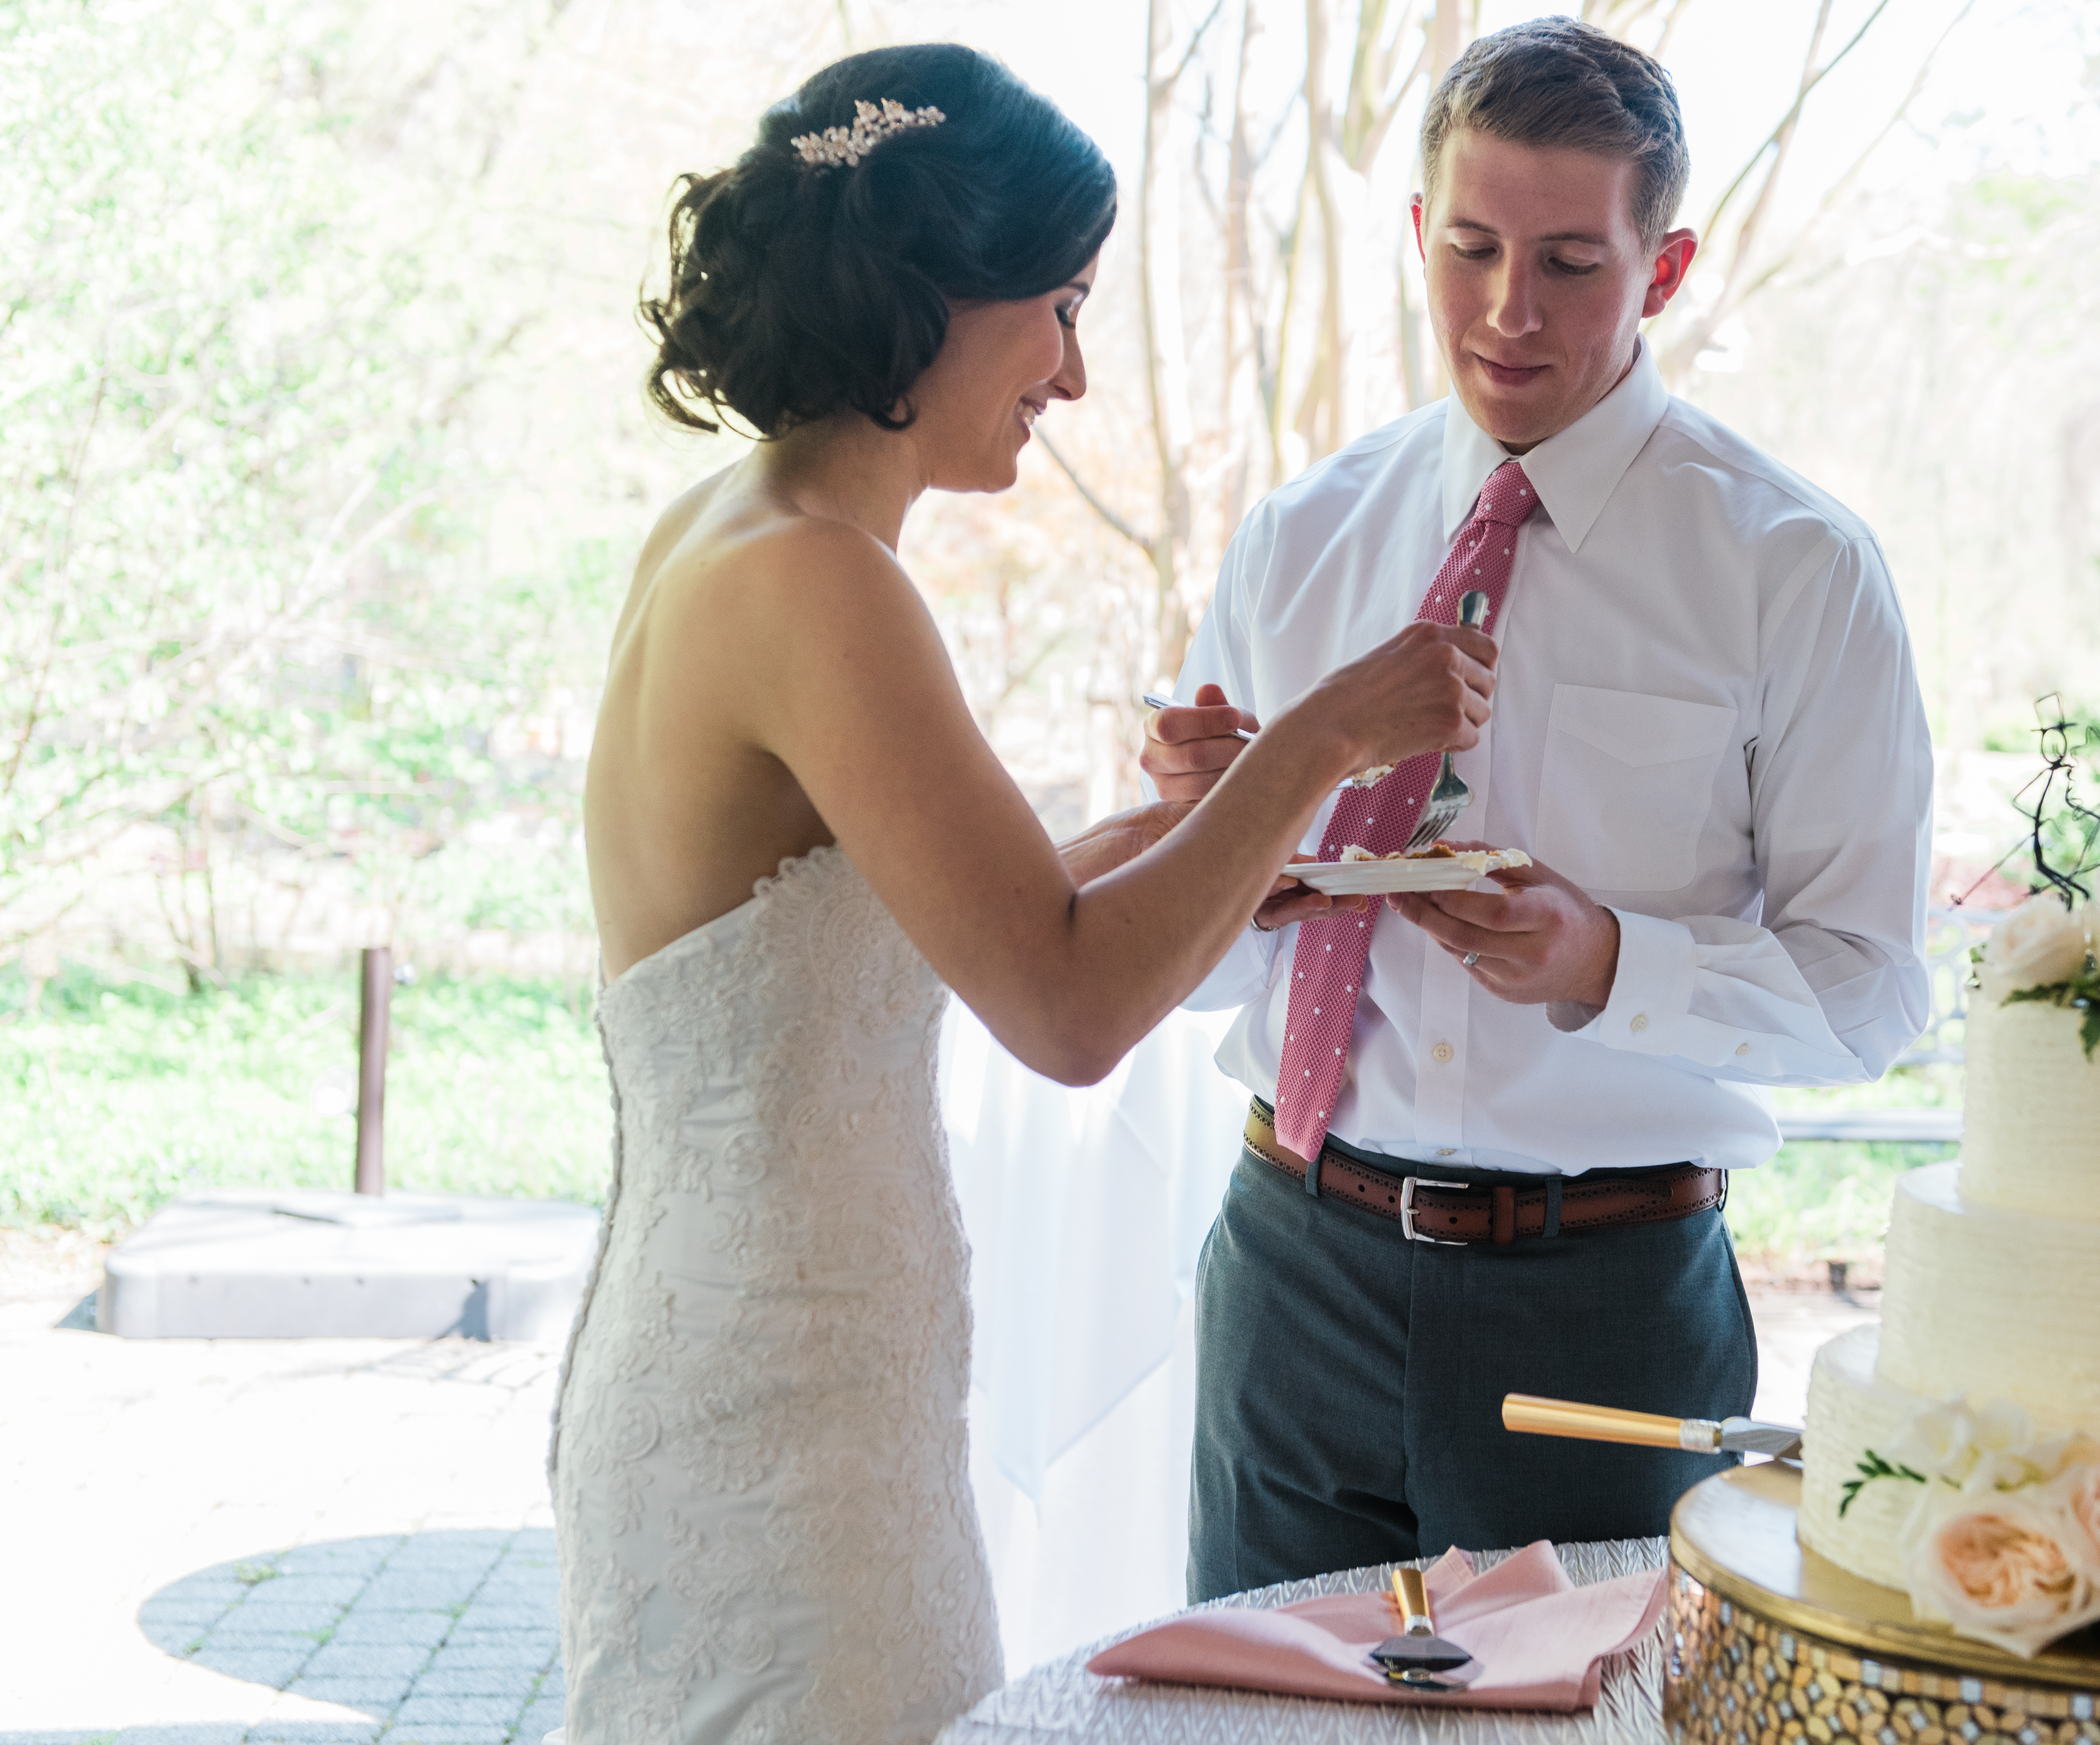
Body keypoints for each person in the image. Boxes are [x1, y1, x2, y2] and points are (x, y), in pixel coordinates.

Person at [556, 43, 1497, 1744]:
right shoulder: (820, 582)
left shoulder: (734, 526)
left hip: (774, 1353)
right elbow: (1063, 1008)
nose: (1069, 373)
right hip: (780, 1415)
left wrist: (1193, 844)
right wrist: (1327, 729)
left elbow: (872, 923)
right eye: (1058, 307)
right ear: (935, 295)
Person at [1145, 17, 1934, 1600]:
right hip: (1293, 1269)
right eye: (1473, 248)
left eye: (1574, 259)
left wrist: (1605, 964)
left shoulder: (1796, 570)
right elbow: (1204, 971)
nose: (1511, 312)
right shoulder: (1298, 540)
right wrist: (1205, 845)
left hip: (1610, 1300)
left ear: (1670, 263)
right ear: (1417, 237)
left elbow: (1874, 989)